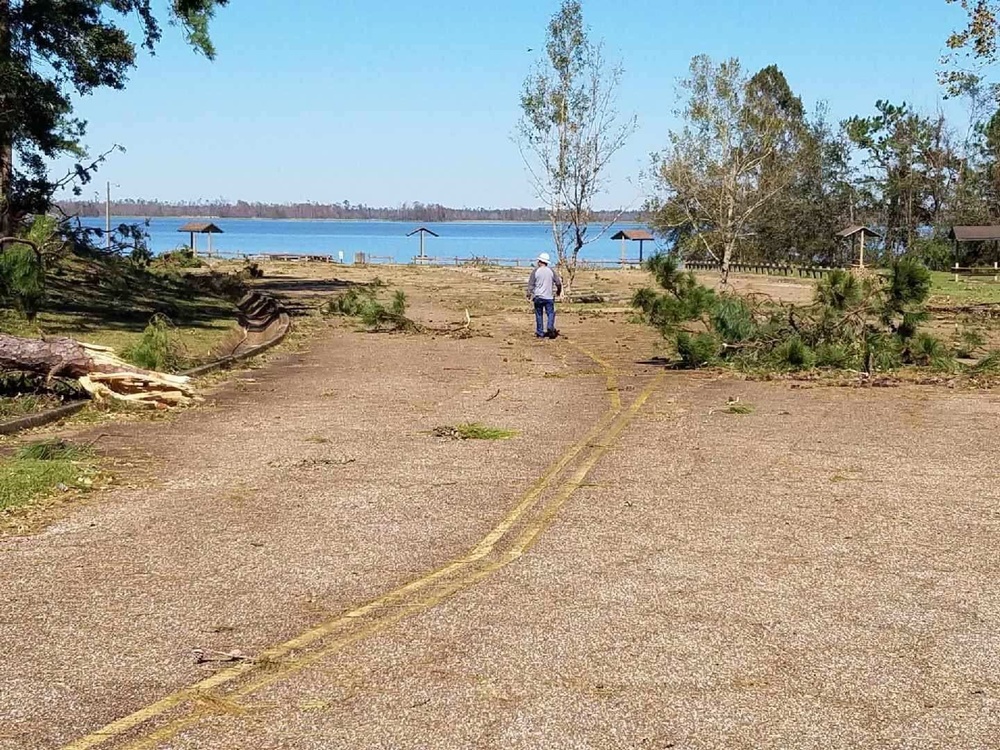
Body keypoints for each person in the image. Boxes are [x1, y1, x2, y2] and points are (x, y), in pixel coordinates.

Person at [525, 252, 562, 338]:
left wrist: (528, 294)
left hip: (538, 296)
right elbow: (558, 283)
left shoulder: (535, 271)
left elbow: (531, 284)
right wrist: (558, 292)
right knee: (550, 313)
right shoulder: (551, 271)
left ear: (540, 261)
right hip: (548, 297)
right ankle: (550, 326)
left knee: (539, 314)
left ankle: (540, 333)